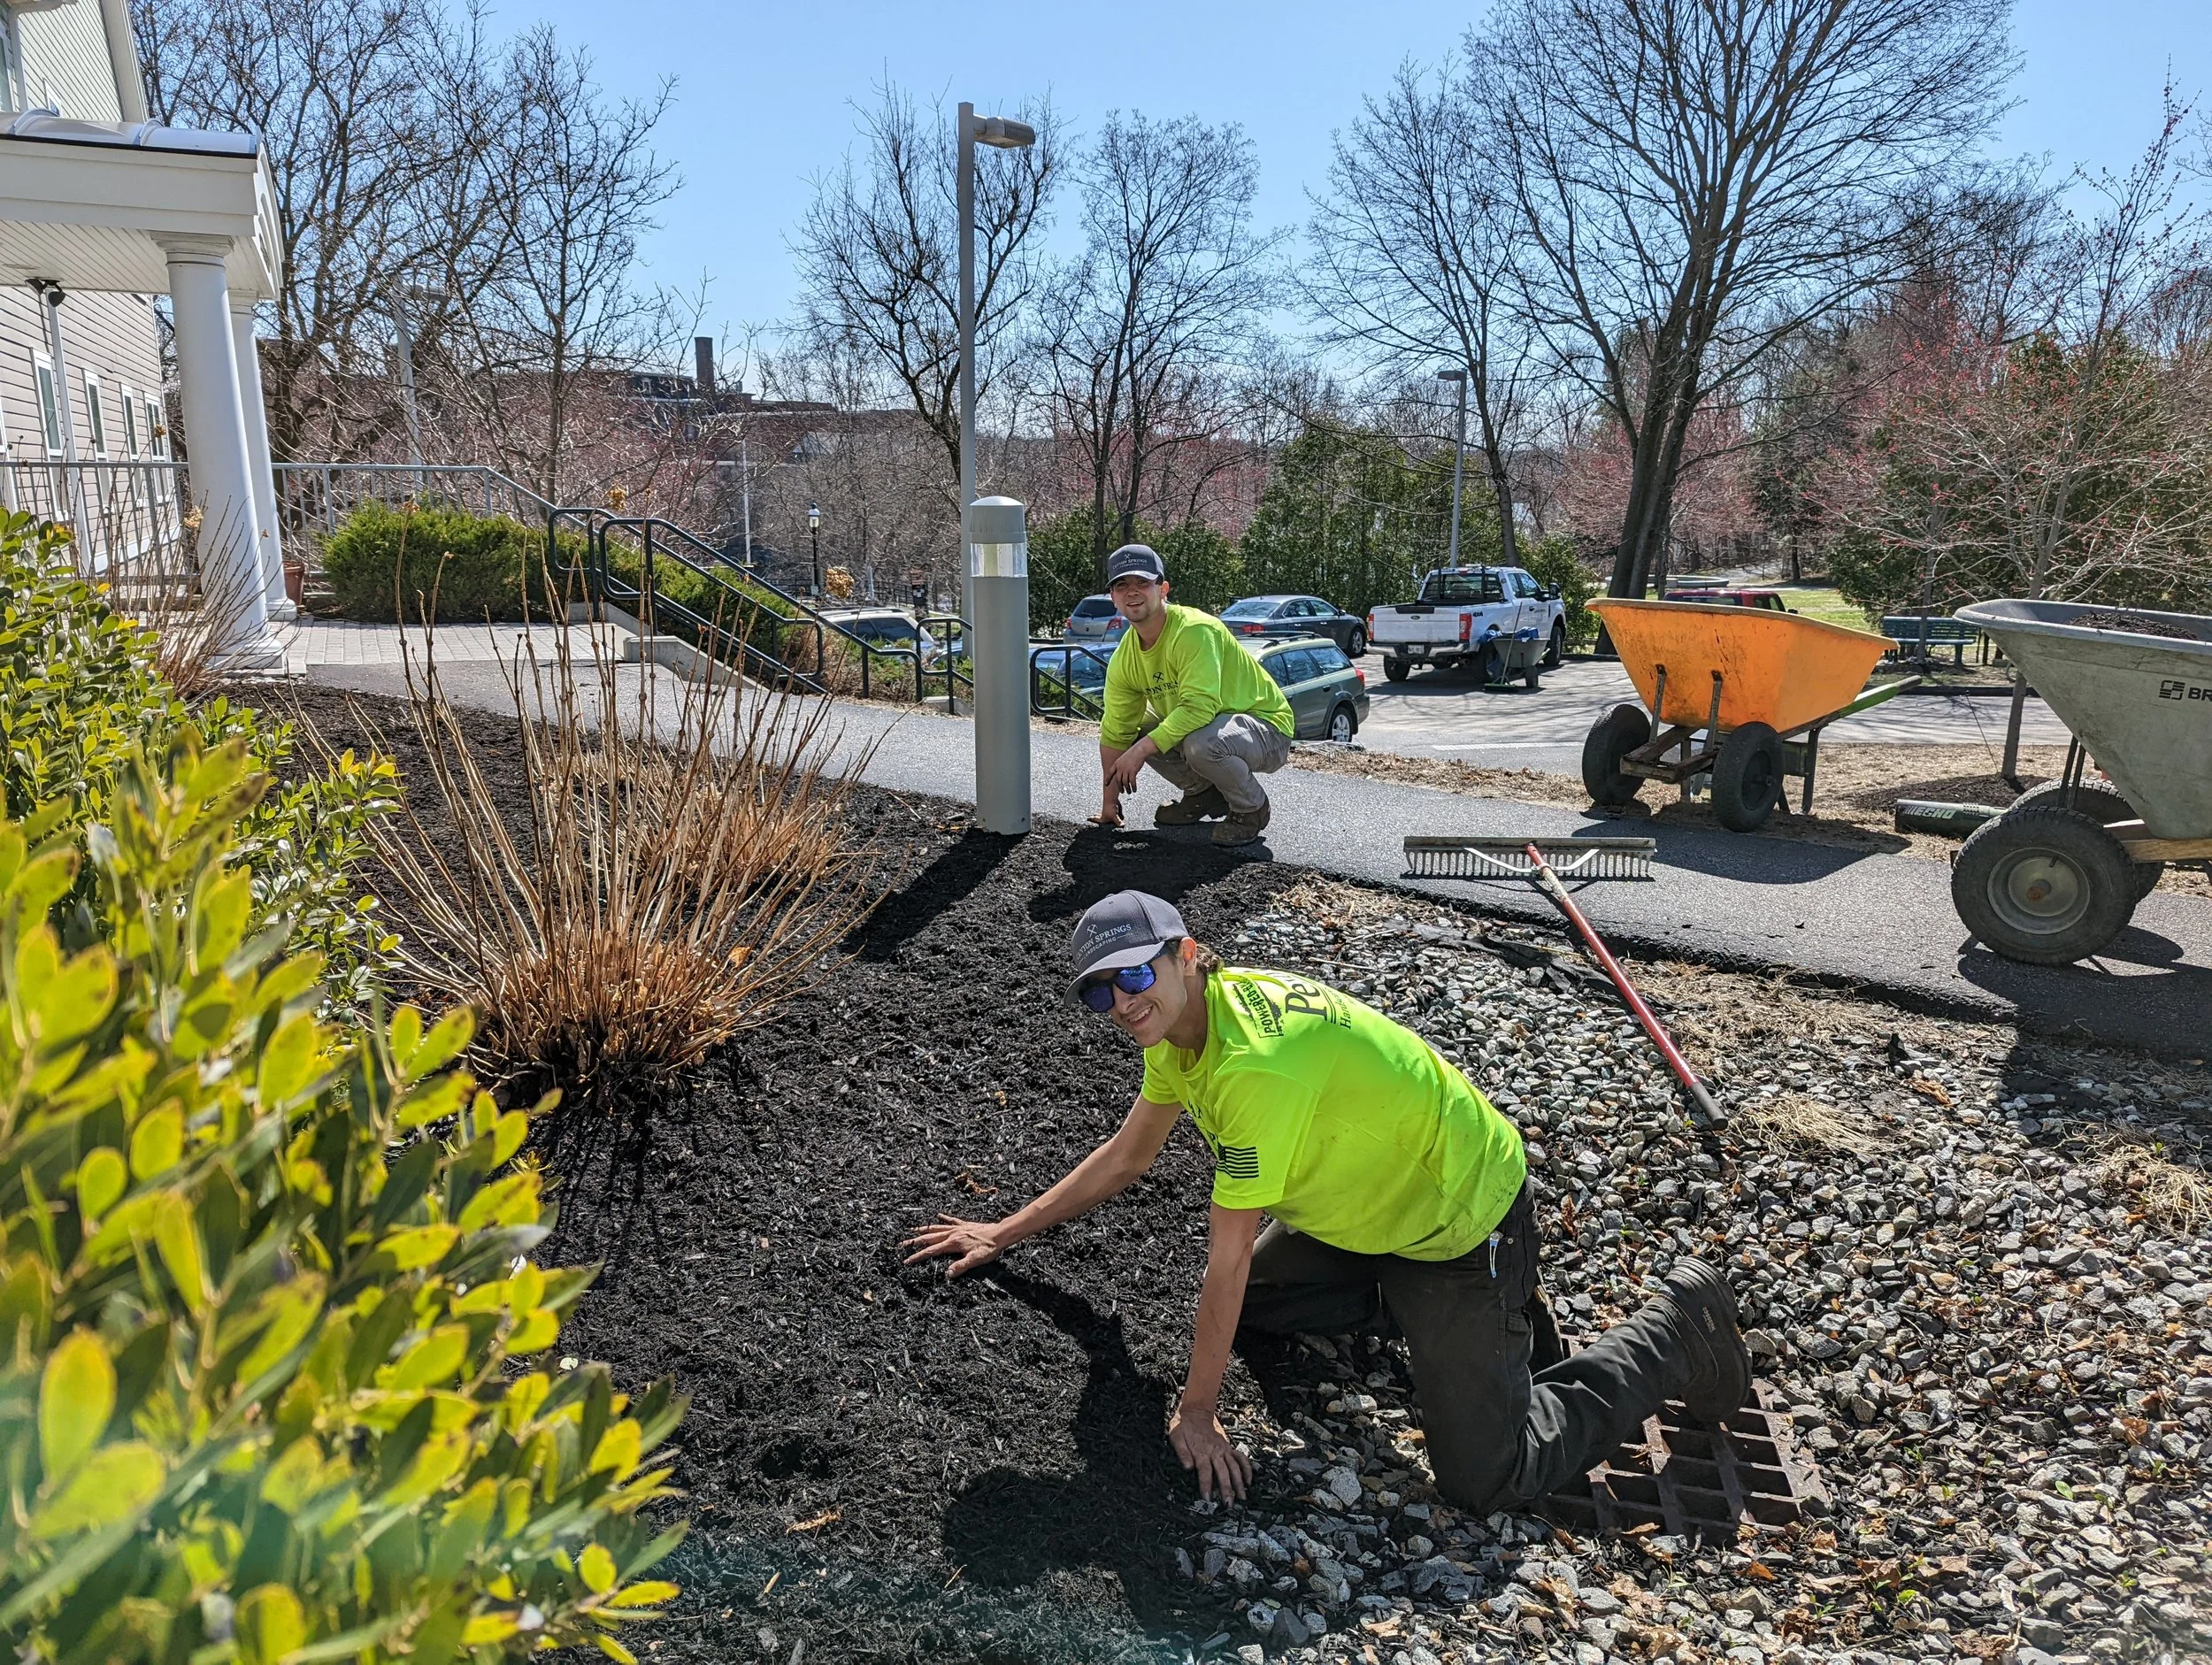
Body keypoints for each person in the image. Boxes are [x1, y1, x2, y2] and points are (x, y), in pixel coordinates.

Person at [904, 890, 1752, 1511]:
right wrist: (1003, 1232)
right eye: (1101, 991)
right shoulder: (1186, 1024)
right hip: (1366, 1213)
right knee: (1256, 1313)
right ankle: (1471, 1326)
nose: (1123, 1002)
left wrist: (1197, 1412)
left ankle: (1678, 1327)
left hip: (1459, 1222)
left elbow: (1225, 1258)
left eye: (1134, 974)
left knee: (1488, 1478)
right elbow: (1129, 1157)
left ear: (1187, 952)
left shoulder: (1254, 1069)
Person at [1093, 544, 1295, 847]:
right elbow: (1115, 730)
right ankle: (1203, 793)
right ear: (1113, 597)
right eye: (1121, 585)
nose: (1132, 591)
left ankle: (1250, 809)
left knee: (1201, 743)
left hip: (1267, 729)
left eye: (1142, 582)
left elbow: (1200, 707)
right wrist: (1109, 804)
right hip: (1210, 727)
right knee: (1139, 726)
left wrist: (1140, 751)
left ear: (1163, 589)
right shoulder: (1125, 657)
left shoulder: (1195, 630)